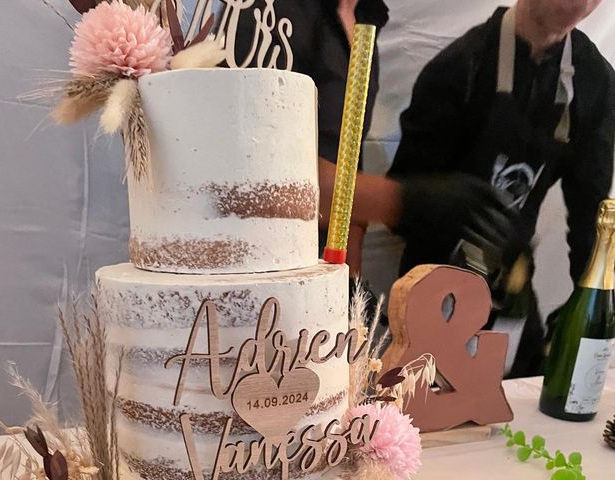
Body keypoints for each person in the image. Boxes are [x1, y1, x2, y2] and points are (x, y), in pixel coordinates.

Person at [388, 0, 615, 377]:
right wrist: (441, 201)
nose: (580, 3)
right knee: (419, 417)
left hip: (511, 289)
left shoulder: (595, 83)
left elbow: (593, 215)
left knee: (521, 412)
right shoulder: (462, 65)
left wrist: (588, 301)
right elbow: (399, 201)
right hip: (431, 287)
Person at [233, 0, 515, 277]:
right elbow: (242, 166)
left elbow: (347, 161)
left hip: (312, 286)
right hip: (247, 276)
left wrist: (350, 287)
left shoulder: (367, 18)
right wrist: (401, 201)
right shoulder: (263, 13)